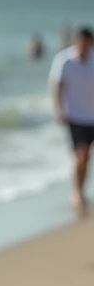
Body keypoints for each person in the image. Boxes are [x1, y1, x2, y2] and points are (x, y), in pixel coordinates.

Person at [49, 26, 94, 213]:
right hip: (75, 115)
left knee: (87, 157)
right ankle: (77, 192)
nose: (83, 46)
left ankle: (82, 190)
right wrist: (59, 109)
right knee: (81, 155)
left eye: (87, 43)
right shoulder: (64, 60)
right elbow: (56, 85)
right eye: (80, 42)